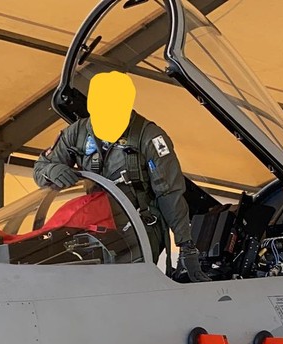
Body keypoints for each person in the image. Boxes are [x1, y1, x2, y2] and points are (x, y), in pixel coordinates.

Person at [33, 71, 209, 281]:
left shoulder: (150, 137)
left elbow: (170, 194)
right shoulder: (76, 133)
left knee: (129, 284)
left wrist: (186, 245)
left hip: (139, 226)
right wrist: (51, 170)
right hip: (96, 224)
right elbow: (41, 169)